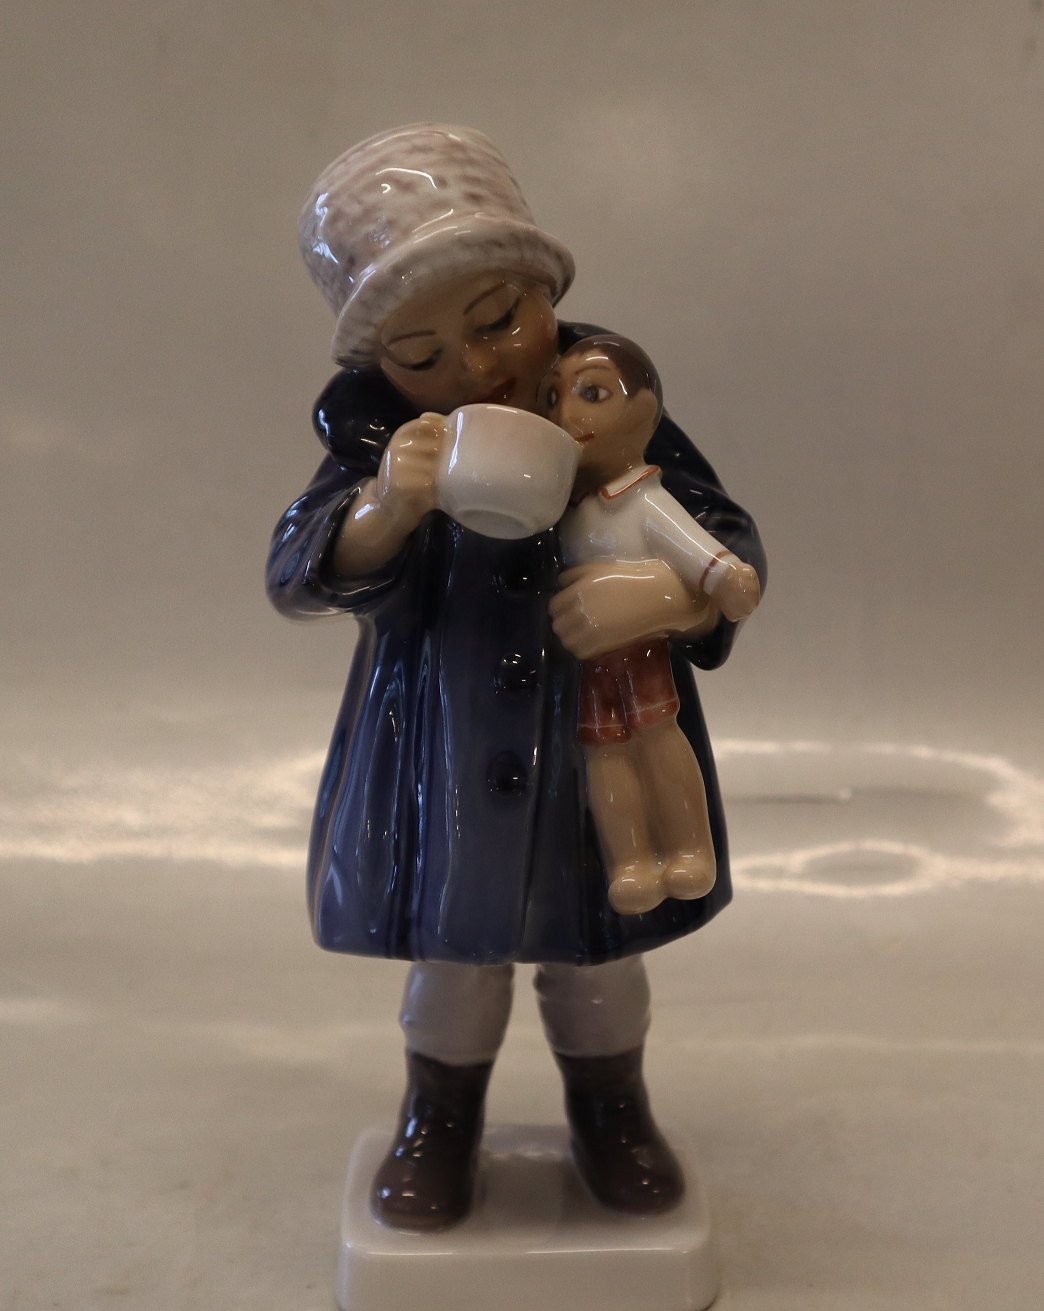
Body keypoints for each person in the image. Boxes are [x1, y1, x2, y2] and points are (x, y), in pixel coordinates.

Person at [267, 123, 767, 1231]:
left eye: (499, 320)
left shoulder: (604, 395)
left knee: (599, 951)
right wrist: (384, 511)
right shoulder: (380, 444)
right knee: (457, 956)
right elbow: (296, 570)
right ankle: (438, 1119)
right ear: (382, 367)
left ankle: (612, 1107)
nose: (479, 366)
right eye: (423, 354)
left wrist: (668, 597)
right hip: (440, 742)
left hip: (595, 737)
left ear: (546, 293)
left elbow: (721, 539)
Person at [544, 334, 761, 916]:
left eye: (592, 394)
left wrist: (723, 576)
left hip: (638, 651)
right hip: (589, 660)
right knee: (605, 756)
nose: (566, 414)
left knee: (659, 740)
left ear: (644, 411)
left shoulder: (642, 498)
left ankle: (688, 848)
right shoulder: (563, 505)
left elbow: (690, 545)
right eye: (552, 398)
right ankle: (632, 860)